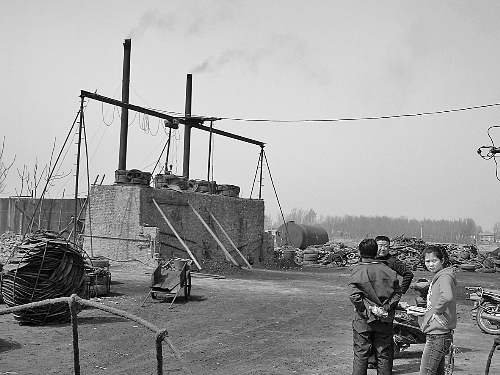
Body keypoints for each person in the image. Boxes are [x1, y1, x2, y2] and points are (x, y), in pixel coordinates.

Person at [349, 238, 402, 375]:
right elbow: (397, 293)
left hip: (363, 320)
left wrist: (368, 310)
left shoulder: (358, 270)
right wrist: (386, 308)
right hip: (384, 320)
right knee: (384, 354)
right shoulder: (388, 271)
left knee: (361, 354)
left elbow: (355, 296)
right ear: (376, 252)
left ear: (360, 252)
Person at [367, 235, 415, 368]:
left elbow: (408, 274)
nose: (382, 248)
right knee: (369, 330)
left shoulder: (392, 262)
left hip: (387, 303)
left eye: (385, 246)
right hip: (371, 301)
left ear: (389, 247)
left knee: (385, 333)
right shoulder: (370, 260)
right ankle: (372, 360)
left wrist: (400, 291)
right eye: (380, 245)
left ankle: (383, 363)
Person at [418, 245, 457, 375]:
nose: (431, 264)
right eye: (427, 261)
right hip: (439, 332)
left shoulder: (444, 277)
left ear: (442, 260)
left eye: (434, 261)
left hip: (437, 334)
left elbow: (447, 296)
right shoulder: (440, 276)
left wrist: (437, 312)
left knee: (426, 372)